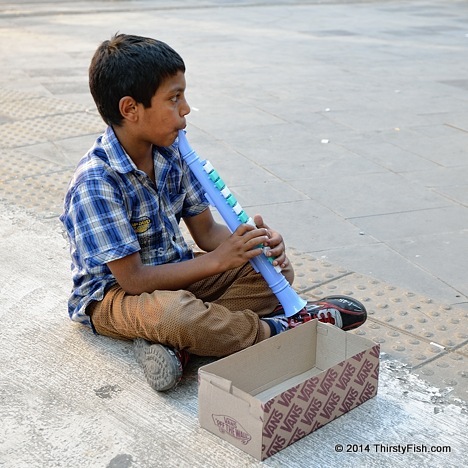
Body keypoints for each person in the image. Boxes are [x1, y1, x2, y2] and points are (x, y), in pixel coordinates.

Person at [60, 33, 367, 392]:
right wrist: (219, 260)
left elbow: (206, 233)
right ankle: (280, 328)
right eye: (174, 99)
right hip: (112, 297)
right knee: (174, 314)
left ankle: (182, 346)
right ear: (131, 109)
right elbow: (134, 280)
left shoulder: (170, 155)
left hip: (176, 275)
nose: (186, 109)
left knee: (273, 270)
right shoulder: (96, 182)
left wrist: (250, 245)